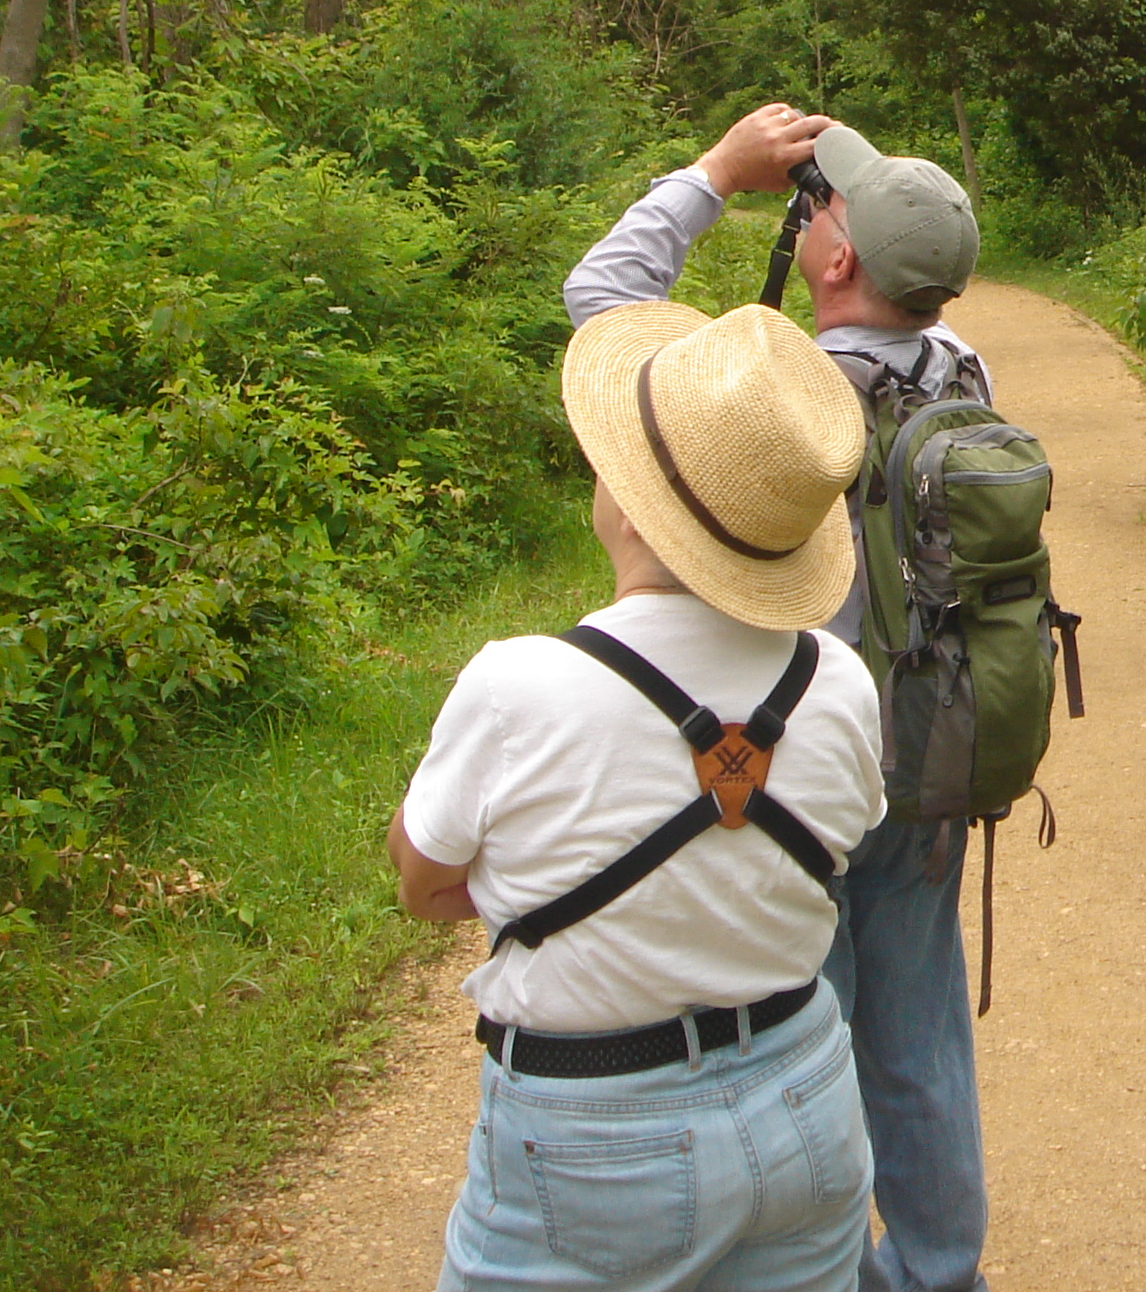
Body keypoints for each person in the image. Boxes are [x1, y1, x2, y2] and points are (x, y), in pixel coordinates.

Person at [564, 107, 996, 1292]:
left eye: (824, 206)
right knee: (922, 1032)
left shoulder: (779, 405)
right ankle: (941, 1267)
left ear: (837, 260)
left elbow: (601, 300)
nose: (807, 207)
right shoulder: (967, 375)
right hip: (931, 743)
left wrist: (713, 176)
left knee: (812, 1032)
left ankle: (820, 1264)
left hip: (796, 770)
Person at [390, 298, 883, 1290]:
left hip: (590, 1136)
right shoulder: (838, 681)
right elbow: (832, 846)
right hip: (807, 1097)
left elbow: (423, 879)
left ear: (625, 498)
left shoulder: (516, 685)